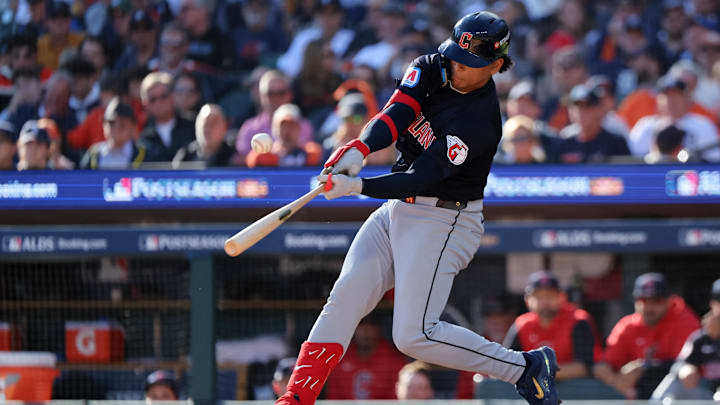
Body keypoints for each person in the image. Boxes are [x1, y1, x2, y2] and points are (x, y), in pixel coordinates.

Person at [275, 12, 560, 405]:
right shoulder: (430, 66)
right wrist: (360, 148)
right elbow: (397, 113)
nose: (459, 69)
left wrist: (356, 186)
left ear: (496, 65)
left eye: (471, 65)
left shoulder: (481, 121)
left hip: (445, 218)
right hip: (398, 210)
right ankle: (296, 398)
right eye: (457, 58)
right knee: (346, 295)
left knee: (414, 335)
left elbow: (420, 178)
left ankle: (524, 368)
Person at [593, 272, 701, 400]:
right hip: (638, 393)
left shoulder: (684, 320)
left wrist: (644, 367)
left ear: (668, 301)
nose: (649, 307)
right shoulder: (628, 325)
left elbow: (687, 363)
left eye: (657, 300)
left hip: (677, 393)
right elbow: (603, 366)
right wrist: (617, 382)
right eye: (644, 300)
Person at [503, 271, 601, 381]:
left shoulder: (578, 320)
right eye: (539, 296)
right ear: (527, 300)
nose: (545, 302)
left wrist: (538, 371)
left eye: (550, 296)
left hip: (576, 392)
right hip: (534, 393)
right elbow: (507, 364)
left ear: (562, 297)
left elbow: (586, 367)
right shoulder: (522, 324)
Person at [651, 278, 720, 401]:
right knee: (674, 382)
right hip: (707, 396)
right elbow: (679, 364)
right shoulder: (701, 337)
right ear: (713, 304)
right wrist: (685, 369)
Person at [629, 74, 720, 162]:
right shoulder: (645, 125)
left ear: (687, 99)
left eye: (676, 95)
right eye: (666, 96)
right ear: (658, 100)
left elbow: (713, 162)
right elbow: (630, 159)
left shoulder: (703, 125)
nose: (670, 100)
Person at [235, 70, 314, 162]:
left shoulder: (304, 125)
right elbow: (241, 163)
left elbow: (310, 158)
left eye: (281, 92)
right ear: (261, 96)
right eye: (270, 93)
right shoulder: (249, 128)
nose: (276, 98)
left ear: (290, 94)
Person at [325, 317, 407, 399]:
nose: (365, 331)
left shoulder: (393, 359)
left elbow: (396, 396)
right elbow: (334, 396)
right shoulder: (341, 357)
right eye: (360, 325)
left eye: (371, 326)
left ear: (378, 329)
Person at [551, 83, 631, 163]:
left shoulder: (615, 143)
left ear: (598, 110)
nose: (580, 113)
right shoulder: (563, 144)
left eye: (586, 106)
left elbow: (625, 173)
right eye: (576, 107)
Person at [139, 72, 195, 161]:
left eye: (163, 96)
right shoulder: (143, 138)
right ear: (145, 104)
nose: (159, 103)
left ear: (172, 96)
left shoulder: (193, 125)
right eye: (152, 99)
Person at [245, 104, 321, 168]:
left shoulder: (311, 153)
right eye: (283, 126)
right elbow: (251, 162)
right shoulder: (263, 156)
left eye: (292, 125)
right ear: (274, 128)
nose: (288, 130)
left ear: (299, 128)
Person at [80, 97, 146, 169]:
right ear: (103, 124)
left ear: (133, 127)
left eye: (122, 124)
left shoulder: (145, 155)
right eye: (111, 123)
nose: (116, 128)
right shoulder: (94, 154)